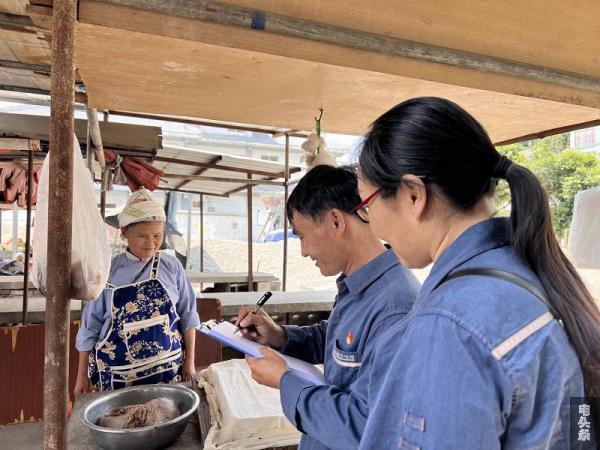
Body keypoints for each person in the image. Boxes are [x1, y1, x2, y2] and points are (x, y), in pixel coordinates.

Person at [355, 97, 600, 449]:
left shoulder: (451, 323)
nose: (372, 223)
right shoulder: (535, 277)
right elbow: (581, 429)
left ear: (413, 195)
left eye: (366, 204)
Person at [236, 165, 420, 449]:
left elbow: (366, 427)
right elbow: (339, 343)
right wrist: (279, 336)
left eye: (302, 235)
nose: (304, 251)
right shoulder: (356, 284)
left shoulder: (395, 309)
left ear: (336, 221)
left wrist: (286, 381)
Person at [74, 188, 200, 393]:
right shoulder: (108, 271)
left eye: (158, 235)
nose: (151, 243)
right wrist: (82, 376)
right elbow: (90, 326)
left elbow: (188, 315)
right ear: (124, 232)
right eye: (143, 236)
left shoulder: (171, 266)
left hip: (168, 371)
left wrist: (190, 362)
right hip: (117, 376)